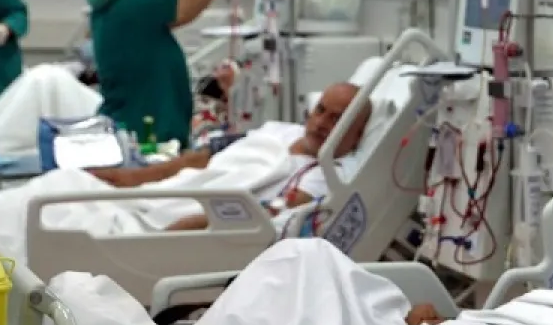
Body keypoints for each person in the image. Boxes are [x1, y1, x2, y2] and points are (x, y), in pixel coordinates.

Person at [84, 0, 265, 149]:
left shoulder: (113, 12)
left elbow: (188, 8)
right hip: (145, 138)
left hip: (144, 135)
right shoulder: (131, 8)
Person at [95, 81, 372, 227]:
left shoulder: (327, 174)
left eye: (337, 119)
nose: (321, 123)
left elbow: (269, 212)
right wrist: (133, 177)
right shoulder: (280, 130)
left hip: (191, 212)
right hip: (174, 189)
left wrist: (189, 225)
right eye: (320, 110)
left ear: (357, 134)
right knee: (80, 184)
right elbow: (208, 155)